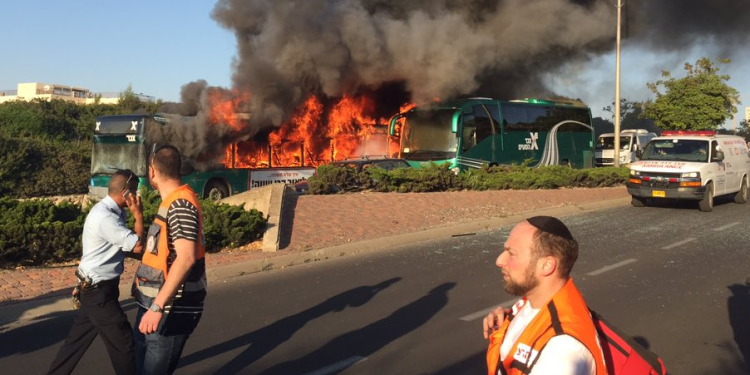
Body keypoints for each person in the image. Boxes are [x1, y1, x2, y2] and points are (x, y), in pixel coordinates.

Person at [47, 169, 144, 375]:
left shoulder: (115, 211)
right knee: (124, 341)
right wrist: (139, 216)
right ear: (126, 191)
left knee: (76, 343)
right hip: (98, 291)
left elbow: (120, 248)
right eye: (135, 191)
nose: (137, 196)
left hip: (96, 287)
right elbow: (137, 247)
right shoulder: (105, 217)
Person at [483, 216, 607, 375]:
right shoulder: (533, 303)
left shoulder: (563, 352)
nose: (499, 260)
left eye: (511, 253)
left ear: (547, 265)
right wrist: (506, 323)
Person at [132, 145, 207, 375]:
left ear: (152, 171)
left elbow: (185, 259)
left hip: (169, 312)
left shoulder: (180, 204)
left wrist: (157, 306)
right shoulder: (172, 201)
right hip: (153, 307)